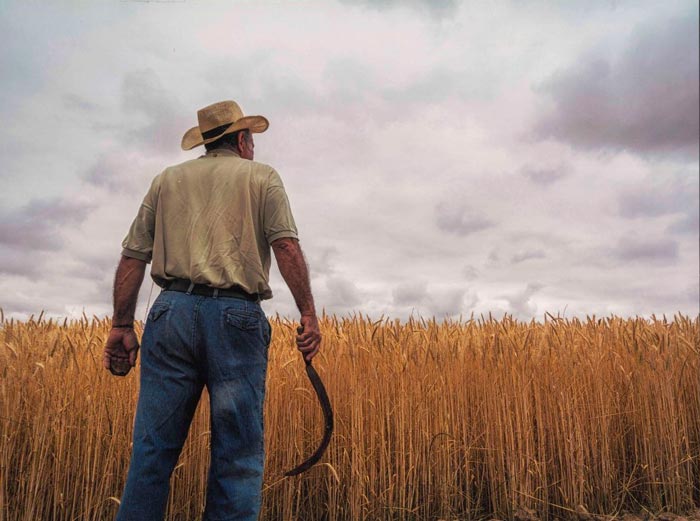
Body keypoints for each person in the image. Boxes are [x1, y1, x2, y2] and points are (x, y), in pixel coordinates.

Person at [103, 100, 321, 521]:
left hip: (170, 315)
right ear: (241, 140)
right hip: (236, 318)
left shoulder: (167, 180)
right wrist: (308, 314)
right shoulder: (263, 178)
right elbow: (286, 245)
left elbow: (133, 257)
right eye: (251, 140)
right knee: (236, 458)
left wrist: (120, 325)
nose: (254, 148)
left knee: (151, 452)